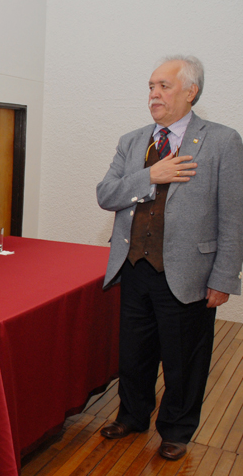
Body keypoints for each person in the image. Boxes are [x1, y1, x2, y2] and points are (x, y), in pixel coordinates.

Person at [97, 55, 243, 460]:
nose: (154, 94)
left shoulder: (222, 141)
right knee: (134, 353)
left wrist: (223, 279)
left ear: (190, 91)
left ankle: (177, 429)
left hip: (190, 273)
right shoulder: (132, 141)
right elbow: (106, 194)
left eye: (164, 86)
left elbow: (233, 216)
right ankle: (132, 415)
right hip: (134, 267)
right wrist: (150, 176)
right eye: (151, 86)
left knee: (184, 360)